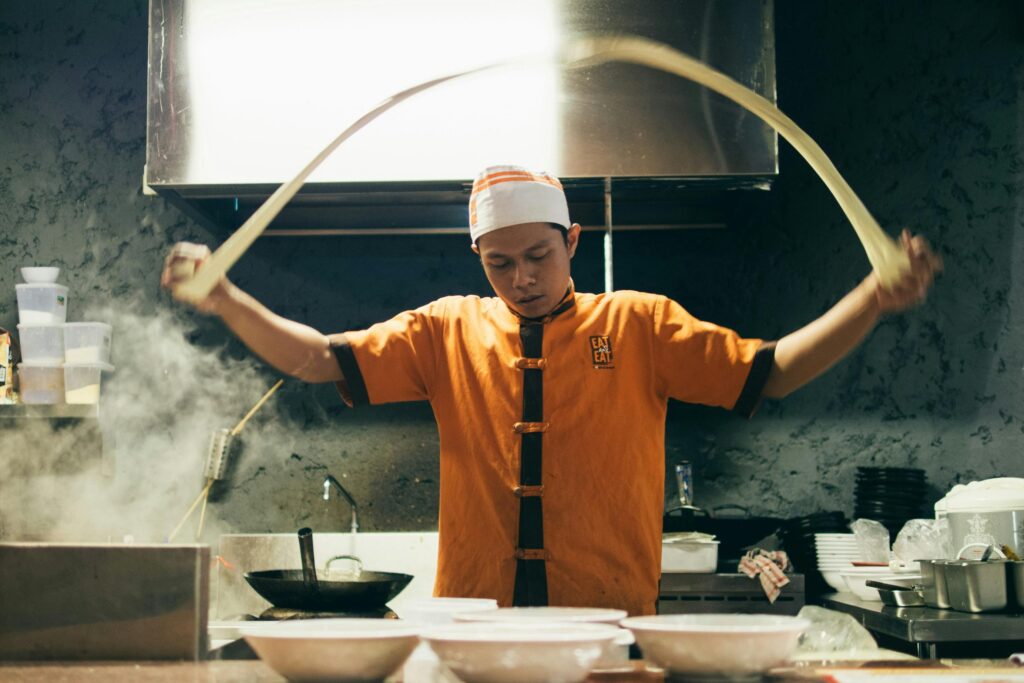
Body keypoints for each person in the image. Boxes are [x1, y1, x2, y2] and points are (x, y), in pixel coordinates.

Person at [162, 165, 941, 616]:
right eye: (499, 263)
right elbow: (320, 360)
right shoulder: (445, 330)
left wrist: (873, 298)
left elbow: (772, 372)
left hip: (608, 620)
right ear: (478, 258)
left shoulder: (638, 324)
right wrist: (227, 299)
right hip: (476, 624)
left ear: (574, 241)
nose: (522, 278)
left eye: (538, 254)